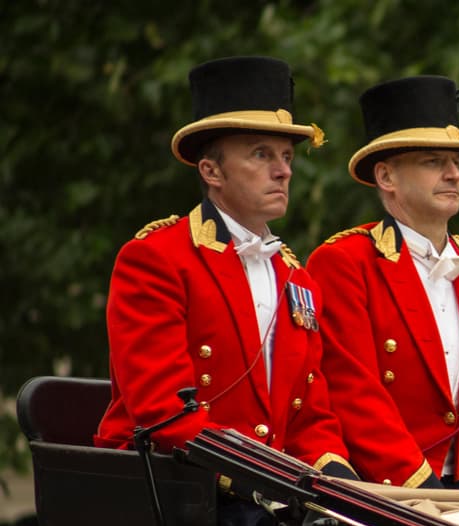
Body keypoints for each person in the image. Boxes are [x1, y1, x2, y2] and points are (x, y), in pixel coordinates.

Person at [94, 56, 354, 476]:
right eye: (260, 154)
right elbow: (164, 412)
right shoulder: (156, 258)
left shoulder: (296, 277)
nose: (283, 170)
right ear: (211, 170)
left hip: (266, 494)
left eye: (287, 156)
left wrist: (341, 484)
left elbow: (310, 418)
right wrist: (268, 482)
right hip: (176, 487)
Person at [307, 75, 459, 490]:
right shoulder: (344, 262)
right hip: (383, 491)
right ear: (387, 177)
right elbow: (355, 396)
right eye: (433, 162)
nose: (452, 176)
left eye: (456, 164)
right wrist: (423, 493)